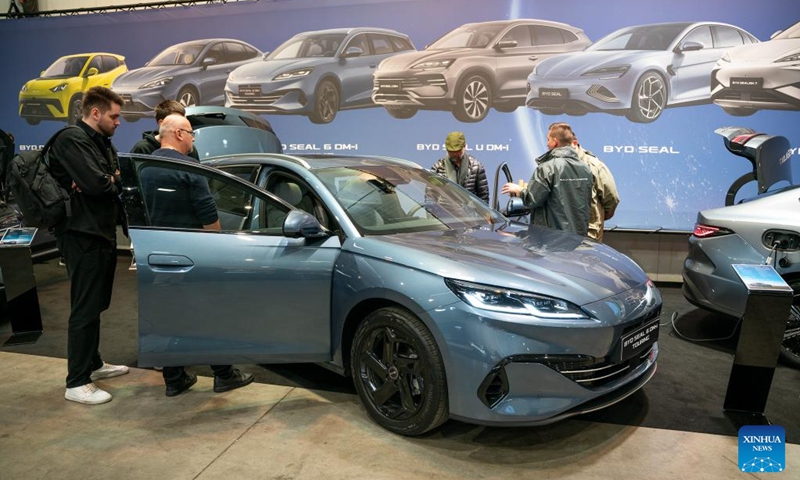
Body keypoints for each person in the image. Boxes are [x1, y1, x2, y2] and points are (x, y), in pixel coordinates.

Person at [144, 113, 254, 397]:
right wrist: (216, 250)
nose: (193, 139)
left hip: (159, 253)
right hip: (193, 253)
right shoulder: (190, 167)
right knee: (210, 316)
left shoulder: (145, 169)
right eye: (192, 133)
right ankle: (224, 374)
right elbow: (208, 215)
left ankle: (174, 378)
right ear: (179, 134)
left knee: (173, 318)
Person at [48, 86, 129, 405]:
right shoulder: (71, 139)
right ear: (95, 113)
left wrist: (108, 179)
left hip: (100, 232)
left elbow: (112, 180)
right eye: (114, 116)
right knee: (84, 307)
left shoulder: (100, 141)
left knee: (96, 303)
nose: (118, 122)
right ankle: (77, 381)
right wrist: (107, 180)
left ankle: (92, 363)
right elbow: (99, 184)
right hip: (80, 235)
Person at [500, 123, 592, 236]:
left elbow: (532, 199)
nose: (547, 143)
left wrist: (518, 190)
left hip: (550, 239)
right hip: (577, 238)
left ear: (554, 141)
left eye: (548, 139)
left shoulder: (547, 168)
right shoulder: (585, 168)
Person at [573, 133, 620, 242]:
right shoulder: (553, 165)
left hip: (588, 234)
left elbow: (611, 197)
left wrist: (600, 217)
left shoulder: (593, 165)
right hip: (559, 236)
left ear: (574, 144)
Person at [431, 131, 489, 203]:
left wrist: (483, 213)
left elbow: (483, 197)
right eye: (451, 151)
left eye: (458, 151)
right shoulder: (438, 168)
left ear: (464, 146)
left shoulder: (476, 166)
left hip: (469, 212)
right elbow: (430, 196)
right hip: (445, 212)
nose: (454, 154)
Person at [130, 100, 198, 159]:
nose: (182, 123)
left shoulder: (189, 147)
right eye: (176, 120)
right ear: (161, 123)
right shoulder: (142, 149)